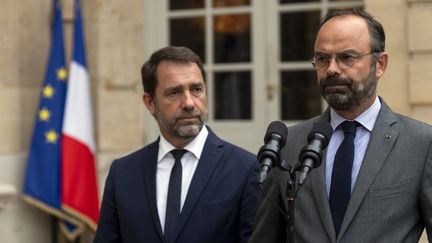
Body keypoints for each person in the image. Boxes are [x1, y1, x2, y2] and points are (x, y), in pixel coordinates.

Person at [250, 8, 432, 243]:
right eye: (323, 59)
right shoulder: (290, 143)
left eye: (347, 57)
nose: (332, 69)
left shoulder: (421, 143)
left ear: (380, 64)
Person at [94, 46, 260, 243]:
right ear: (150, 103)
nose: (189, 103)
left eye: (196, 89)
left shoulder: (245, 169)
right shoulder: (122, 173)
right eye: (174, 93)